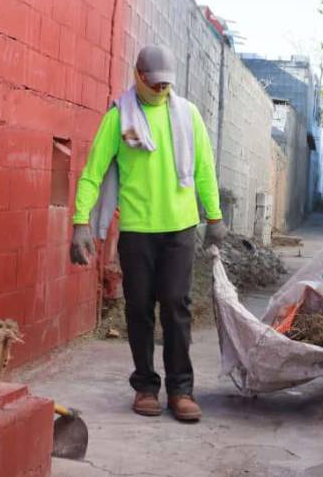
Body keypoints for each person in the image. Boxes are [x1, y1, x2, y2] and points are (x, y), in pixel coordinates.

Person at [69, 45, 226, 421]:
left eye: (166, 86)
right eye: (154, 85)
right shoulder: (118, 119)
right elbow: (93, 172)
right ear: (138, 76)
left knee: (175, 305)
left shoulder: (188, 116)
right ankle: (144, 386)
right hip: (138, 231)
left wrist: (215, 217)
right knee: (139, 309)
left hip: (180, 228)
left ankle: (181, 390)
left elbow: (204, 169)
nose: (160, 92)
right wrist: (80, 222)